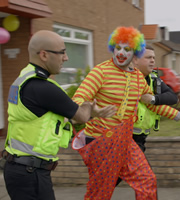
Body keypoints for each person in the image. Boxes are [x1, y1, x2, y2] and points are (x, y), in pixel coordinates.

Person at [2, 30, 116, 200]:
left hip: (21, 169)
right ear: (44, 55)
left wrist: (90, 113)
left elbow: (46, 118)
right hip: (30, 172)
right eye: (62, 52)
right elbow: (81, 116)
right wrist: (88, 105)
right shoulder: (43, 87)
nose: (66, 57)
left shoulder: (23, 78)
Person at [71, 26, 180, 200]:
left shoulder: (137, 77)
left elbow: (152, 104)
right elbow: (79, 98)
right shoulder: (100, 72)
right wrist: (91, 110)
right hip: (100, 140)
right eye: (118, 48)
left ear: (134, 53)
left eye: (127, 49)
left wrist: (177, 115)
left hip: (124, 141)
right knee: (100, 192)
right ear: (112, 48)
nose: (121, 53)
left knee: (147, 180)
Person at [133, 44, 178, 151]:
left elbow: (172, 97)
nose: (152, 61)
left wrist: (153, 99)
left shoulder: (154, 79)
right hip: (126, 138)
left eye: (154, 58)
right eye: (148, 57)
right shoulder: (127, 80)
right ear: (135, 60)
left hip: (142, 138)